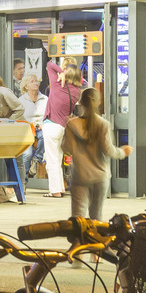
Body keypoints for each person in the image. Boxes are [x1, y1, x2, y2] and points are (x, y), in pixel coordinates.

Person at [63, 88, 126, 220]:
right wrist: (122, 152)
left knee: (77, 218)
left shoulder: (71, 124)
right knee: (96, 216)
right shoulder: (103, 124)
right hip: (100, 176)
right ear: (98, 103)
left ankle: (79, 240)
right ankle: (95, 240)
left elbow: (67, 148)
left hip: (80, 176)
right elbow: (108, 150)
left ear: (80, 103)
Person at [41, 58, 82, 198]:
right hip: (63, 128)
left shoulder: (58, 84)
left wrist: (61, 72)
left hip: (51, 126)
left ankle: (55, 191)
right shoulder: (77, 91)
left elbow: (49, 65)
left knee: (52, 160)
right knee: (58, 159)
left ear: (66, 73)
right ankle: (60, 188)